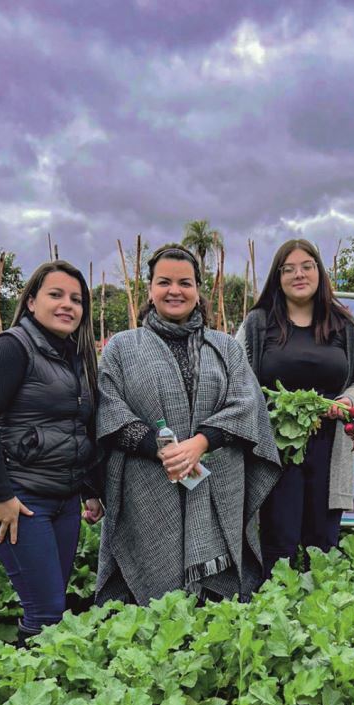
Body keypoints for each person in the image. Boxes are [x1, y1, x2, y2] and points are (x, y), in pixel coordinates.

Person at [95, 244, 280, 605]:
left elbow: (246, 404)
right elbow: (109, 408)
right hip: (148, 481)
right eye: (164, 282)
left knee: (216, 604)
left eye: (185, 282)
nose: (174, 291)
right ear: (149, 289)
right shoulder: (121, 347)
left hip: (217, 478)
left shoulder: (227, 348)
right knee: (150, 598)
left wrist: (201, 442)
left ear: (198, 291)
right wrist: (161, 449)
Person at [0, 261, 103, 643]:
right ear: (30, 302)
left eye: (76, 299)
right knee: (46, 613)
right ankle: (27, 689)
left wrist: (90, 489)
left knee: (52, 603)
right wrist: (1, 496)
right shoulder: (11, 348)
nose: (68, 305)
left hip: (63, 501)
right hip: (21, 501)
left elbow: (79, 428)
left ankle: (45, 684)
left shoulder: (77, 356)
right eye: (55, 295)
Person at [237, 238, 354, 576]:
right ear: (278, 277)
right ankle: (274, 610)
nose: (298, 275)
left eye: (307, 266)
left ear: (319, 272)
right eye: (289, 269)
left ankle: (319, 616)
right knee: (277, 541)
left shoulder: (344, 325)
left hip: (330, 448)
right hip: (276, 450)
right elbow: (236, 378)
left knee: (322, 544)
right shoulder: (258, 323)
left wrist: (348, 402)